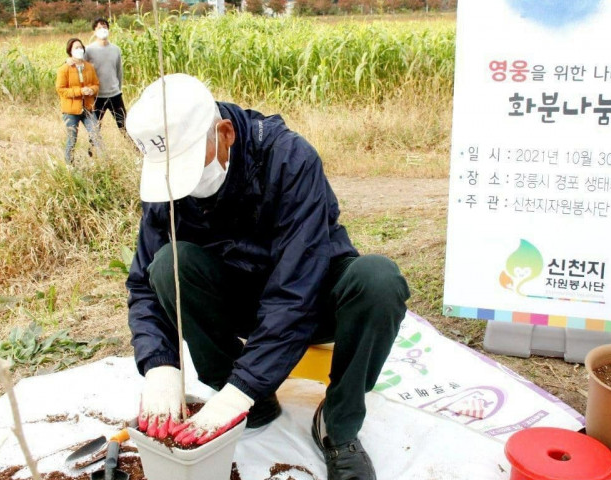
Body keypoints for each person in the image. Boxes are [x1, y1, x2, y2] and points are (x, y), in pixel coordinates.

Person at [125, 74, 410, 480]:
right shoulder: (166, 190)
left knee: (378, 279)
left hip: (312, 298)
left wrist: (245, 384)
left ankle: (337, 424)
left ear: (225, 134)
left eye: (190, 166)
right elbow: (143, 284)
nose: (185, 185)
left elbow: (297, 291)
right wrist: (159, 365)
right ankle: (249, 400)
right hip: (242, 302)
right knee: (170, 264)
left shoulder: (289, 160)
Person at [55, 38, 100, 164]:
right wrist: (80, 91)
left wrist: (92, 90)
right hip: (71, 110)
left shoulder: (89, 67)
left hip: (88, 108)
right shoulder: (64, 69)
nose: (79, 50)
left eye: (81, 47)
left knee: (96, 136)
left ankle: (102, 164)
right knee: (72, 139)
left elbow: (96, 84)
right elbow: (61, 89)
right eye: (76, 48)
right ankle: (69, 165)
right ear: (70, 51)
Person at [86, 18, 127, 136]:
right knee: (95, 128)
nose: (102, 30)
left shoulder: (116, 49)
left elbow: (119, 71)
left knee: (124, 124)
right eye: (99, 27)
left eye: (105, 27)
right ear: (94, 31)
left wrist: (118, 88)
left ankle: (134, 150)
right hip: (97, 96)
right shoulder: (88, 50)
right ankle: (92, 152)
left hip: (115, 94)